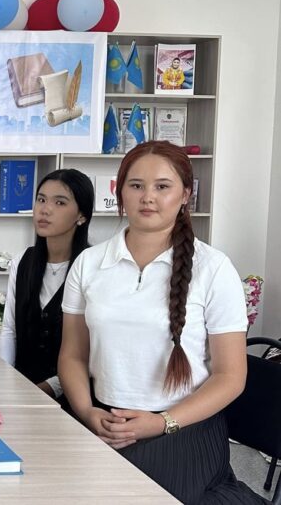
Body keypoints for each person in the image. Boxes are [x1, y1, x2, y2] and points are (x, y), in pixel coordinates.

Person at [59, 141, 265, 504]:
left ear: (185, 195)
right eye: (136, 185)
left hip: (182, 428)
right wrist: (86, 411)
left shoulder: (214, 268)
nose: (148, 197)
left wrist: (162, 422)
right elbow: (73, 354)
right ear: (120, 192)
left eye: (162, 186)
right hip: (101, 419)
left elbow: (230, 376)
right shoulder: (89, 263)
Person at [0, 169, 94, 404]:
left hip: (74, 398)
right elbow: (10, 330)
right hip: (21, 391)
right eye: (41, 200)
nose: (45, 210)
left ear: (81, 215)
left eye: (60, 202)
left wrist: (49, 388)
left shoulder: (93, 266)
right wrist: (4, 382)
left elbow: (94, 350)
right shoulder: (23, 261)